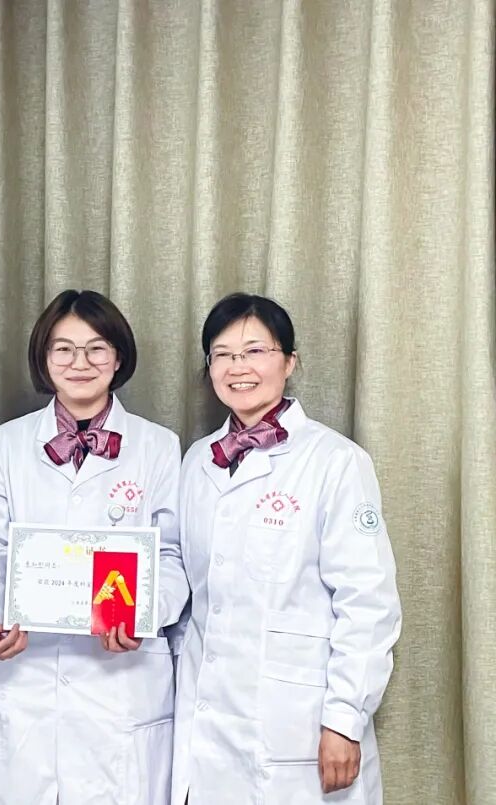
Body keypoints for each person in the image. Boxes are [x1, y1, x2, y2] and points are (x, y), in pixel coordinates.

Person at [171, 293, 401, 804]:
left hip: (298, 723)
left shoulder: (336, 461)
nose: (238, 367)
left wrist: (344, 720)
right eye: (223, 354)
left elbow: (368, 603)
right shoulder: (197, 462)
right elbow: (191, 593)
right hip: (209, 722)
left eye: (256, 351)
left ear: (289, 362)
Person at [0, 289, 188, 804]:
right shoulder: (8, 443)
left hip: (119, 687)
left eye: (96, 349)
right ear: (44, 358)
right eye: (63, 349)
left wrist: (143, 614)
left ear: (119, 357)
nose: (80, 363)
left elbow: (172, 557)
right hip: (23, 681)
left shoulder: (157, 446)